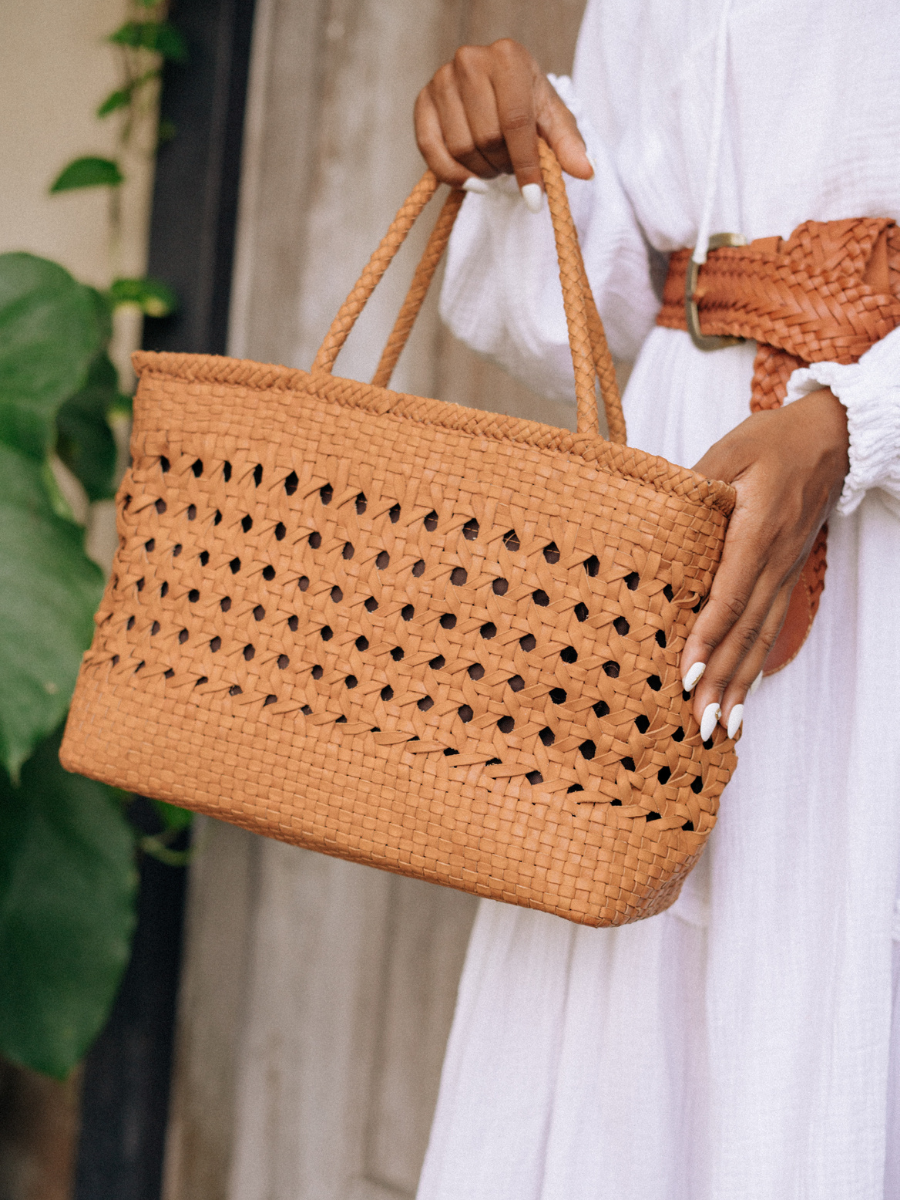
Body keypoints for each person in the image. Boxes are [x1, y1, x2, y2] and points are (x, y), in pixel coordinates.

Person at [411, 3, 900, 1197]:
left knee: (830, 986)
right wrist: (528, 153)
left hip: (874, 556)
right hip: (680, 514)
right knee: (629, 1032)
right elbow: (624, 296)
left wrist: (853, 423)